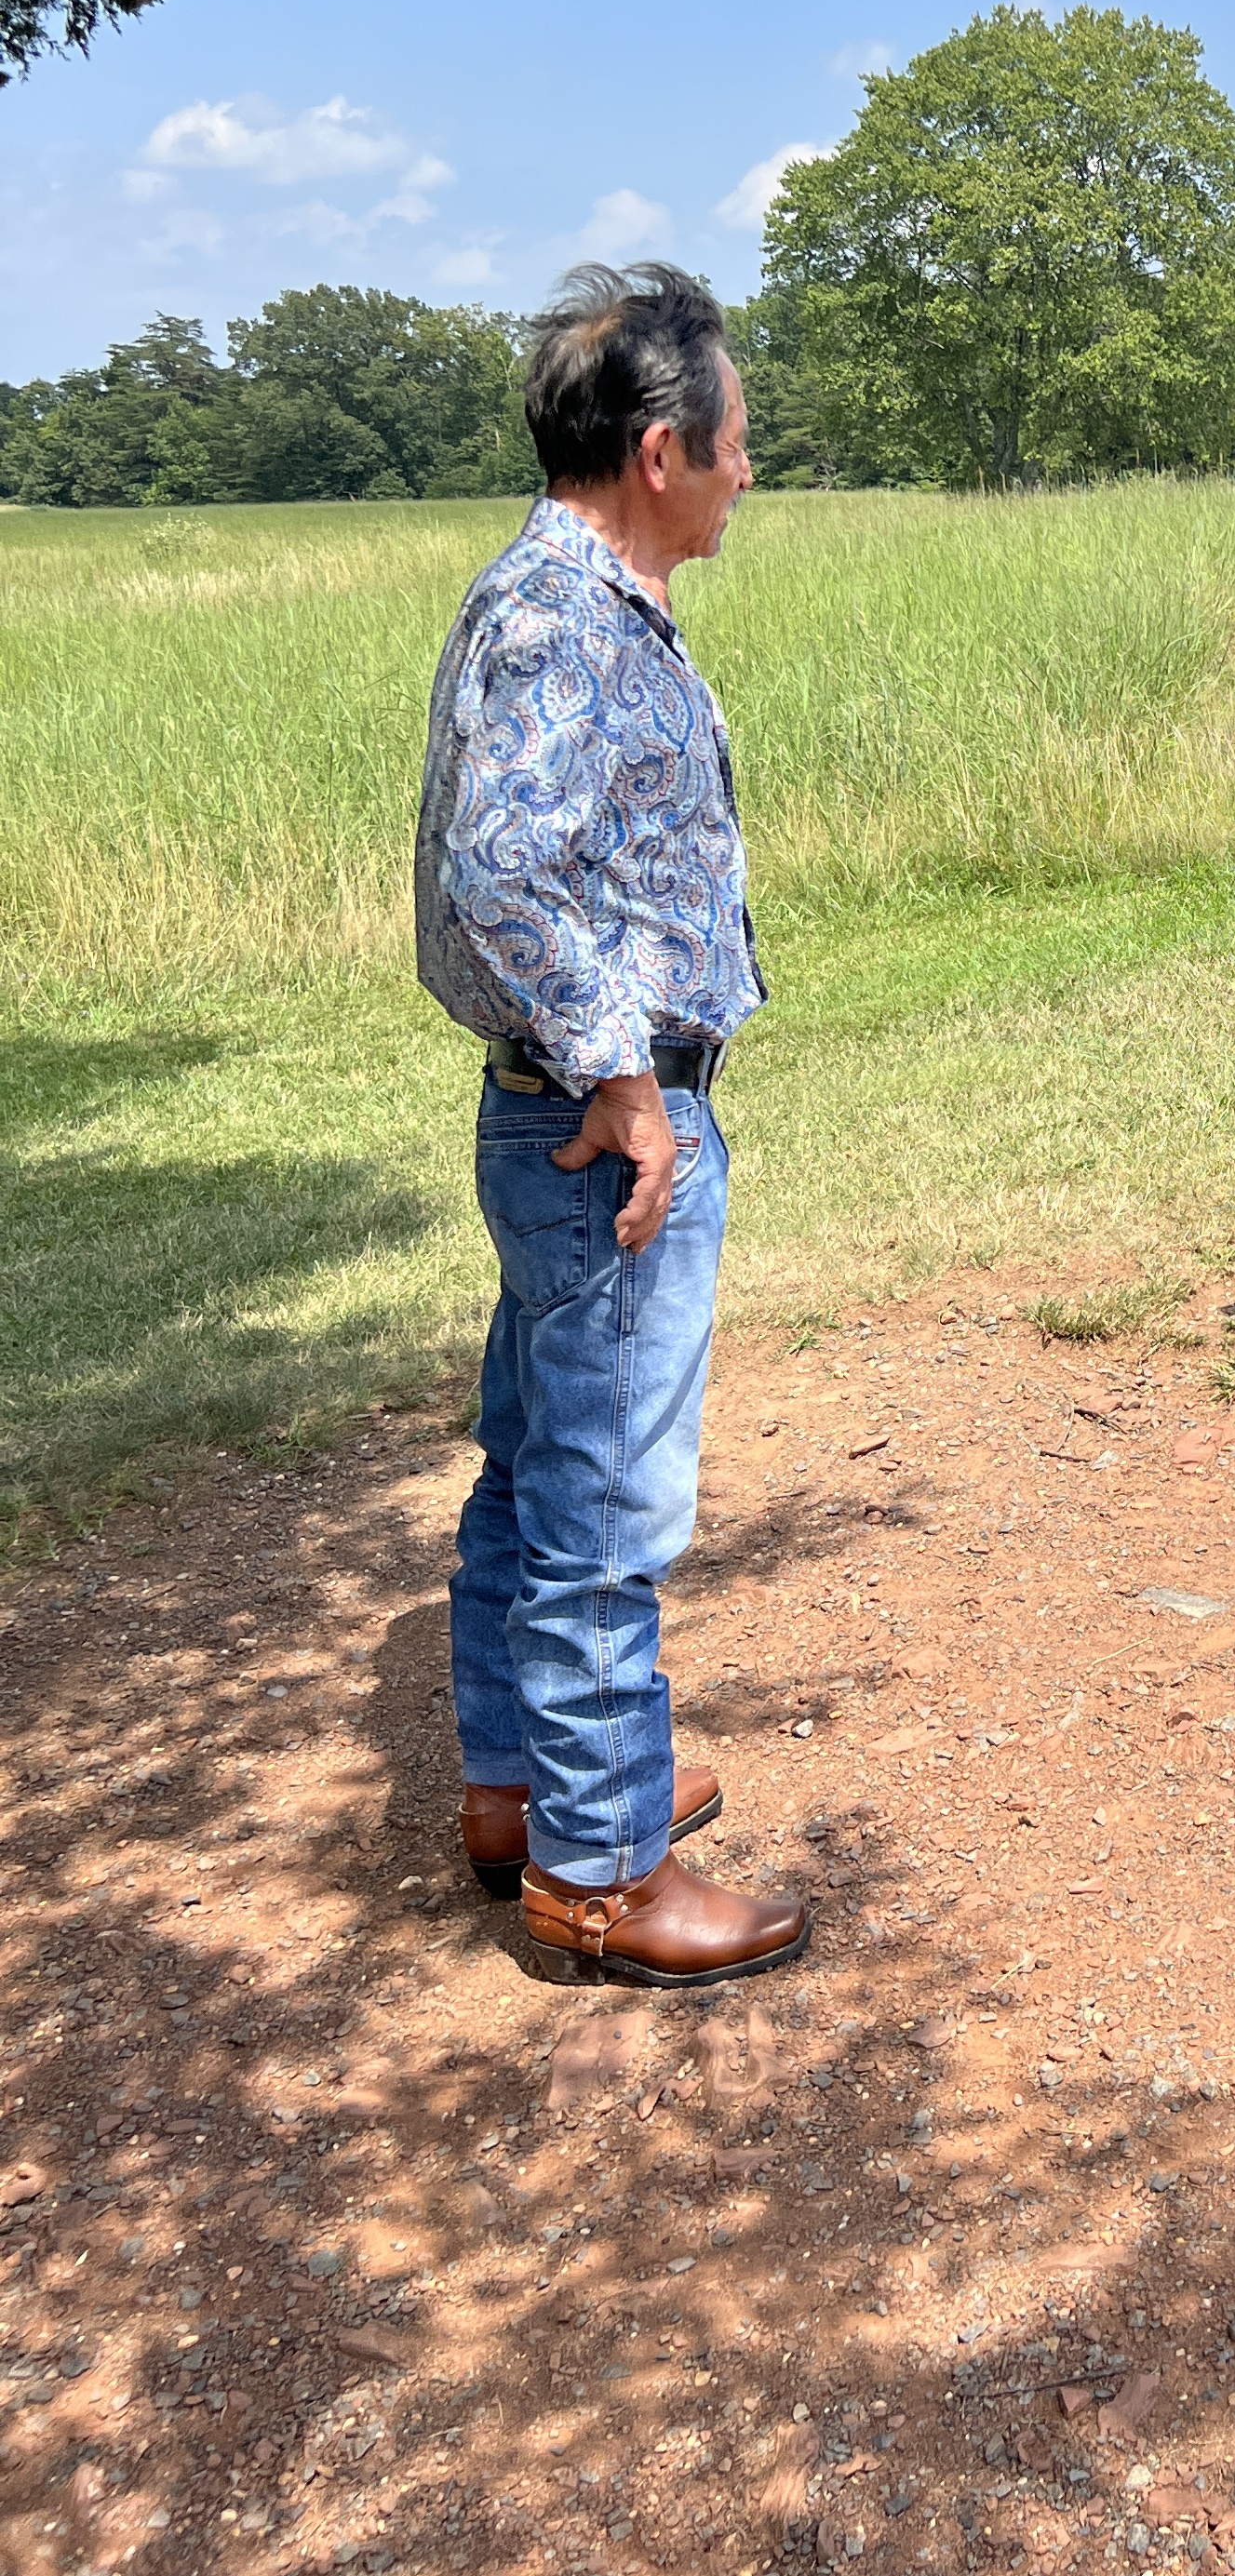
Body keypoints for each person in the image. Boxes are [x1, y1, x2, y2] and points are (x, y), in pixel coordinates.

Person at [415, 261, 808, 1988]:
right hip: (603, 1134)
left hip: (560, 1120)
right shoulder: (569, 618)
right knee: (601, 1497)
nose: (747, 473)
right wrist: (630, 1079)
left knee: (536, 1456)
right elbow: (500, 870)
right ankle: (601, 1864)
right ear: (663, 449)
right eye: (736, 445)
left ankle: (532, 1789)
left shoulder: (563, 596)